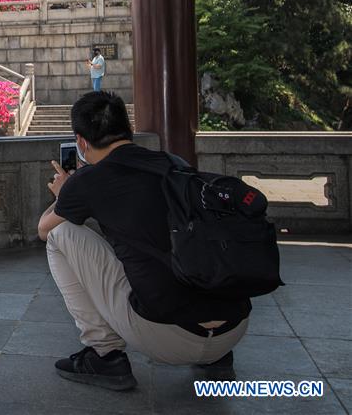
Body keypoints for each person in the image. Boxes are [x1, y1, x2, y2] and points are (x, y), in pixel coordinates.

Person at [37, 91, 250, 391]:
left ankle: (104, 354)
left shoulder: (88, 182)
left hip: (170, 338)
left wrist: (66, 192)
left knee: (60, 235)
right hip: (233, 327)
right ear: (129, 130)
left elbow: (44, 229)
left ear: (81, 142)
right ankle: (215, 357)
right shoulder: (174, 163)